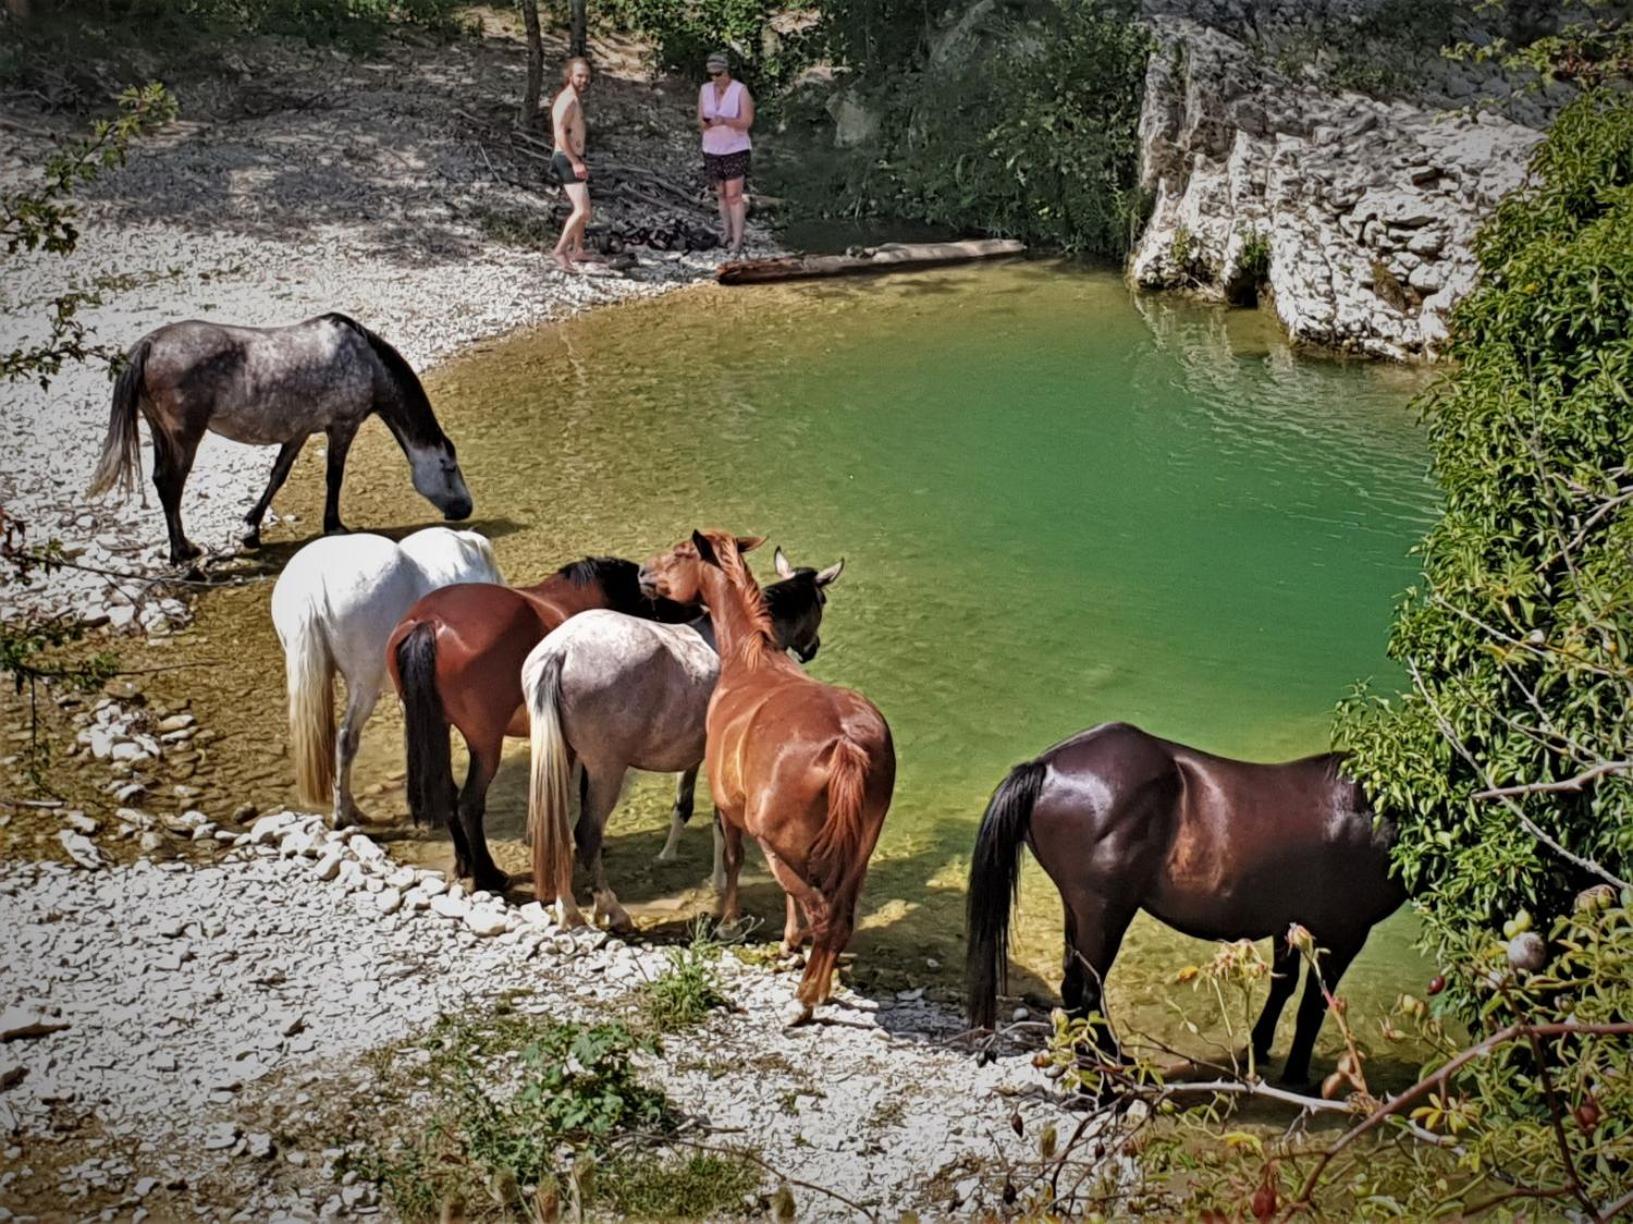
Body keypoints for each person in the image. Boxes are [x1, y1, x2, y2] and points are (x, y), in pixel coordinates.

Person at [697, 50, 754, 256]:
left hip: (735, 149)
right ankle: (726, 232)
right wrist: (707, 123)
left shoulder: (740, 90)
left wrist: (726, 121)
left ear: (726, 71)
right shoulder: (705, 90)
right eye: (712, 75)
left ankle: (738, 240)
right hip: (712, 148)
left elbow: (747, 121)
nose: (716, 78)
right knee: (720, 193)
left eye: (719, 74)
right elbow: (699, 120)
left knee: (734, 195)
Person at [550, 57, 593, 272]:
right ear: (570, 76)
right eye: (579, 75)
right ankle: (560, 250)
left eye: (586, 75)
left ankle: (578, 250)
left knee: (583, 208)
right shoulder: (567, 100)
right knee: (583, 211)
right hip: (566, 159)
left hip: (574, 158)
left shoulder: (575, 99)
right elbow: (559, 132)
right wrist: (575, 161)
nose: (584, 79)